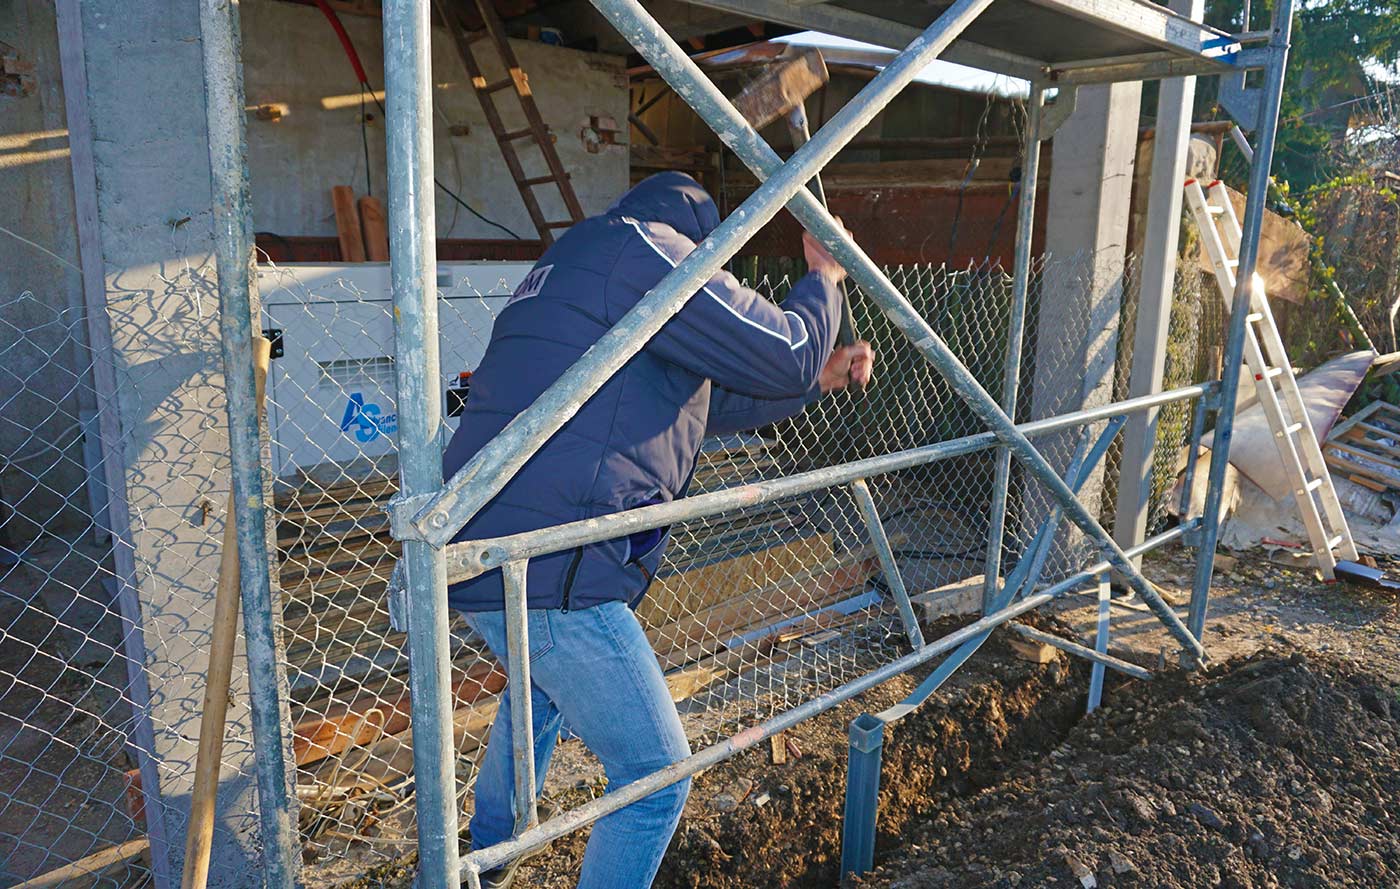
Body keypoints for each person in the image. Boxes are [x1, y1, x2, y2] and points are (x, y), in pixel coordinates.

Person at [442, 171, 874, 888]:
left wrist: (817, 378)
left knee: (539, 692)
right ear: (704, 242)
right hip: (557, 566)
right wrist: (824, 278)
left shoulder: (582, 260)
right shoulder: (654, 252)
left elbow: (703, 403)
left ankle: (483, 861)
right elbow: (784, 348)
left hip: (491, 553)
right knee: (656, 774)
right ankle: (486, 859)